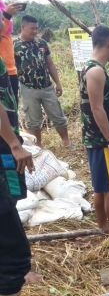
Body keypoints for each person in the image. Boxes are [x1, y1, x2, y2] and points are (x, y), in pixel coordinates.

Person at [80, 25, 109, 236]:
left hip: (96, 139)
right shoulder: (96, 71)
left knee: (101, 186)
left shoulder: (90, 67)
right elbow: (97, 109)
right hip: (104, 141)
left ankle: (102, 227)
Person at [0, 26, 35, 295]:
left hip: (6, 142)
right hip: (3, 147)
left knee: (11, 199)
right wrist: (13, 143)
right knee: (15, 255)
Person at [14, 15, 72, 148]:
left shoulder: (41, 43)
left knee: (58, 115)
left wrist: (58, 83)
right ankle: (37, 146)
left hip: (47, 87)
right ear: (23, 27)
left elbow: (50, 64)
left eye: (36, 29)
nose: (35, 31)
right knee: (33, 121)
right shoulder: (15, 46)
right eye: (32, 28)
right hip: (27, 88)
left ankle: (66, 141)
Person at [0, 0, 22, 99]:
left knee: (12, 107)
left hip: (10, 68)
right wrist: (7, 15)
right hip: (2, 70)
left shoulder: (1, 4)